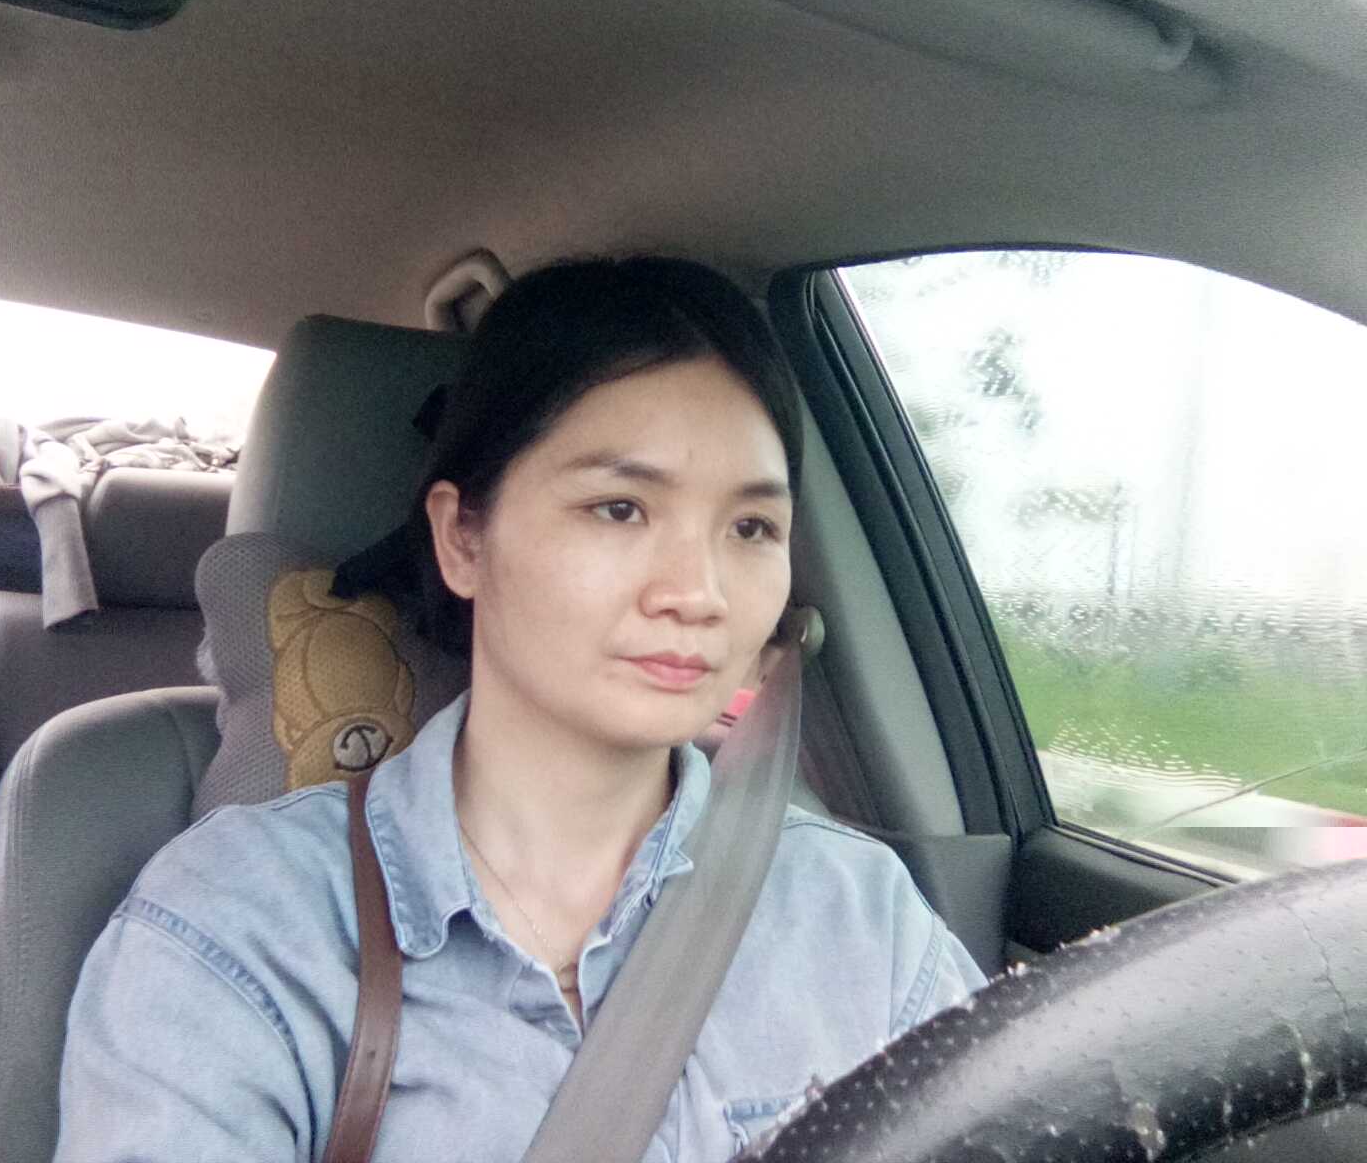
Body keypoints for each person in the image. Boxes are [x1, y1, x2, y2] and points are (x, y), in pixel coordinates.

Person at [54, 257, 986, 1162]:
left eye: (751, 527)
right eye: (619, 509)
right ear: (463, 537)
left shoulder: (859, 916)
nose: (698, 593)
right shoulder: (244, 928)